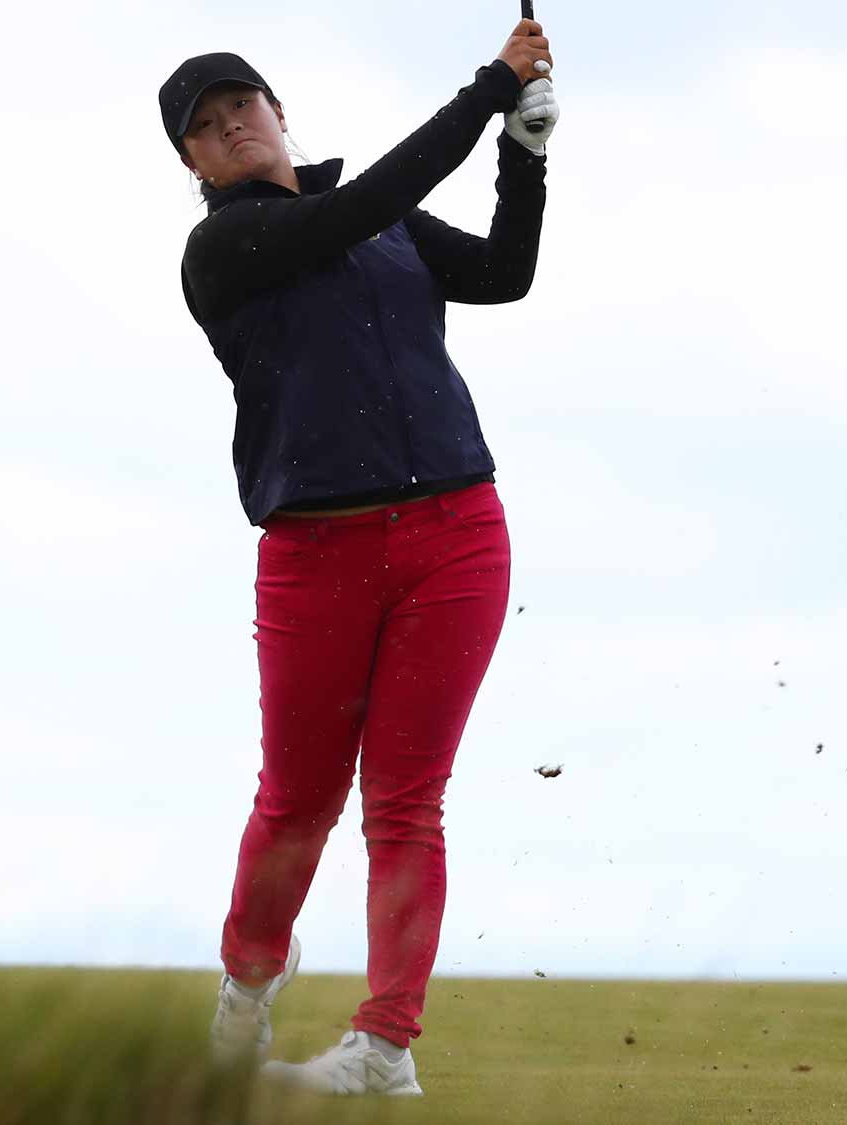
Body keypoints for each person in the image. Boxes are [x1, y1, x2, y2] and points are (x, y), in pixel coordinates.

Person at [157, 20, 559, 1098]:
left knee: (405, 802)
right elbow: (360, 205)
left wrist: (524, 154)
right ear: (192, 164)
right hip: (314, 552)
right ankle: (246, 985)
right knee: (296, 799)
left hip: (455, 534)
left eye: (239, 103)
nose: (228, 125)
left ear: (276, 112)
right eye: (202, 126)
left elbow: (502, 273)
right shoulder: (225, 248)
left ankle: (384, 1047)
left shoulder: (381, 229)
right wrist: (488, 91)